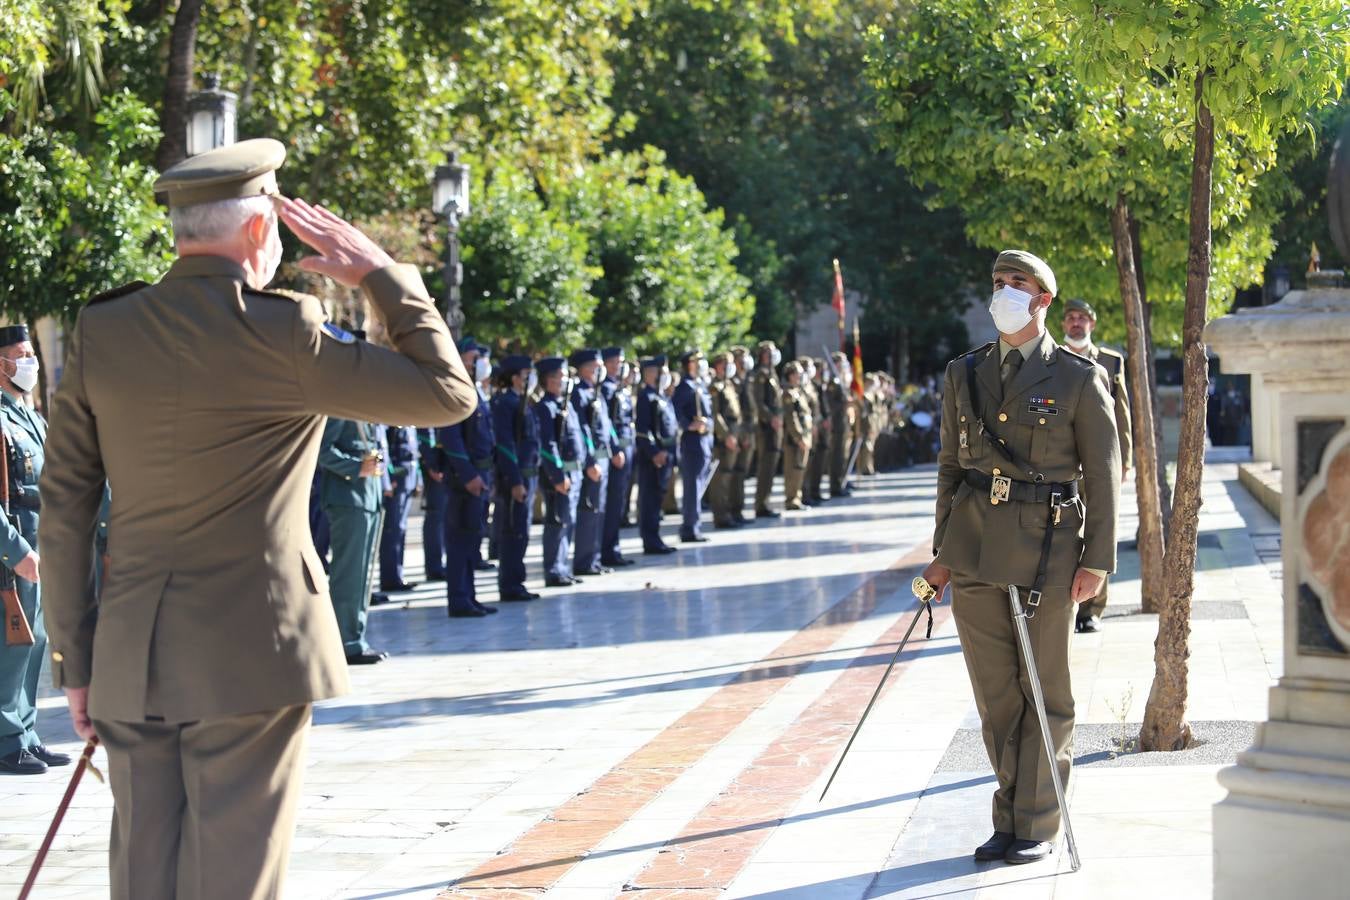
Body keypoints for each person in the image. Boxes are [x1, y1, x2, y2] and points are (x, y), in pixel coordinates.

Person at [39, 138, 475, 900]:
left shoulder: (104, 329)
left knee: (143, 873)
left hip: (129, 651)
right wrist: (379, 272)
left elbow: (65, 508)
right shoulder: (287, 331)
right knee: (233, 876)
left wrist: (76, 665)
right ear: (257, 230)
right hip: (253, 647)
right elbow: (447, 394)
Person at [921, 249, 1120, 866]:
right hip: (975, 546)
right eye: (998, 282)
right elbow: (952, 468)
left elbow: (1105, 477)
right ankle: (1007, 814)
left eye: (1018, 283)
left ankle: (1034, 821)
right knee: (996, 694)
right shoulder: (964, 372)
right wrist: (941, 553)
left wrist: (1098, 561)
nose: (1004, 291)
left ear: (1044, 300)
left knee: (1045, 688)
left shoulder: (1078, 378)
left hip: (1049, 550)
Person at [0, 325, 68, 776]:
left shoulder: (28, 414)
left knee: (36, 639)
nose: (31, 362)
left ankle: (26, 733)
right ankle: (7, 740)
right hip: (15, 546)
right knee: (12, 643)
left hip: (42, 540)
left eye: (31, 354)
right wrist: (15, 550)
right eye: (21, 355)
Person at [1060, 297, 1132, 634]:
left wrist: (1125, 461)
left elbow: (1122, 416)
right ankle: (1064, 606)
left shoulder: (1110, 362)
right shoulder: (1052, 360)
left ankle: (1092, 610)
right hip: (1063, 463)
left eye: (1082, 318)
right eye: (1071, 317)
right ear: (1063, 324)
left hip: (1099, 463)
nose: (1076, 323)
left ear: (1092, 323)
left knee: (1100, 532)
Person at [319, 412, 391, 658]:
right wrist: (356, 467)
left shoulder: (362, 409)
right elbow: (322, 450)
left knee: (360, 578)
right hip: (348, 499)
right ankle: (345, 642)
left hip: (367, 498)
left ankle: (355, 637)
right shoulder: (341, 409)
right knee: (349, 576)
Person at [438, 345, 499, 618]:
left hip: (481, 475)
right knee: (460, 540)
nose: (480, 363)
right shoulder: (455, 390)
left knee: (472, 540)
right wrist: (468, 476)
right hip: (464, 481)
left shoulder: (475, 391)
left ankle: (470, 597)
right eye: (474, 359)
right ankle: (459, 599)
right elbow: (451, 439)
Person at [492, 355, 541, 602]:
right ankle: (510, 584)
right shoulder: (505, 403)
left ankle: (516, 581)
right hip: (516, 479)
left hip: (528, 475)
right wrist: (515, 481)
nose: (530, 378)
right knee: (513, 532)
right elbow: (506, 445)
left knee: (521, 531)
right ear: (514, 378)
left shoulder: (523, 401)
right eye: (525, 374)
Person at [535, 357, 586, 586]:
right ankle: (554, 570)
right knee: (557, 522)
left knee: (568, 521)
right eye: (560, 376)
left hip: (573, 473)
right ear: (548, 380)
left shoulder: (565, 404)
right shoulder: (545, 407)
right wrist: (557, 476)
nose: (565, 380)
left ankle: (563, 566)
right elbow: (548, 445)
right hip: (559, 476)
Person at [570, 349, 617, 576]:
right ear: (583, 368)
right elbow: (582, 430)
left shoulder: (594, 391)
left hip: (603, 457)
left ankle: (594, 559)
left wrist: (613, 449)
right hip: (594, 460)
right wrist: (590, 461)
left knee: (599, 511)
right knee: (589, 511)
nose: (600, 370)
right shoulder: (579, 393)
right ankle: (584, 561)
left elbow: (606, 426)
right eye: (595, 366)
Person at [635, 356, 678, 555]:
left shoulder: (660, 396)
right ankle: (650, 540)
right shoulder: (646, 397)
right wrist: (654, 452)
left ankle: (655, 537)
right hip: (654, 458)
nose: (666, 375)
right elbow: (643, 430)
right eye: (662, 370)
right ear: (651, 373)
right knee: (650, 499)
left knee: (657, 498)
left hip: (665, 454)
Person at [600, 348, 637, 567]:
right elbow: (608, 425)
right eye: (614, 362)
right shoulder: (606, 389)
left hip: (626, 449)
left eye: (621, 362)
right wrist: (614, 449)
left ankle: (613, 548)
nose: (619, 366)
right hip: (617, 453)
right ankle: (607, 550)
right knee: (613, 502)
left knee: (619, 502)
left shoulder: (619, 388)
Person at [673, 350, 714, 543]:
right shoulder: (685, 387)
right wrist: (689, 425)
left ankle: (694, 525)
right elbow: (676, 412)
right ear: (689, 364)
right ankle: (689, 528)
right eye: (698, 361)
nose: (702, 364)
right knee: (692, 486)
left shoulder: (700, 385)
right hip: (692, 442)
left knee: (700, 485)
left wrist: (708, 424)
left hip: (704, 440)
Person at [379, 424, 421, 593]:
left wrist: (418, 479)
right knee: (392, 530)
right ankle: (390, 577)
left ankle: (397, 574)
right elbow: (384, 450)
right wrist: (388, 478)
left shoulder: (408, 420)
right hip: (397, 480)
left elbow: (413, 451)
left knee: (400, 530)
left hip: (407, 480)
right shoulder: (391, 420)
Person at [707, 351, 743, 528]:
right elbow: (715, 414)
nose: (730, 367)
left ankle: (730, 513)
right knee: (720, 480)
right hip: (722, 440)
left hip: (733, 437)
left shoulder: (728, 384)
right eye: (726, 363)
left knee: (729, 478)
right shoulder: (715, 387)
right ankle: (721, 516)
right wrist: (726, 435)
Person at [749, 340, 784, 518]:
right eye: (768, 353)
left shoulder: (772, 374)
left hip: (774, 427)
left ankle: (765, 502)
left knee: (771, 467)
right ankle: (761, 505)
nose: (772, 356)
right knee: (765, 467)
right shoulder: (761, 375)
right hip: (766, 428)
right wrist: (771, 418)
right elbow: (759, 402)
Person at [781, 361, 813, 510]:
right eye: (797, 374)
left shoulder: (799, 392)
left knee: (800, 469)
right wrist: (799, 437)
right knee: (793, 470)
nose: (800, 376)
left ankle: (796, 498)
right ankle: (791, 499)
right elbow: (791, 418)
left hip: (804, 436)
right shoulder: (788, 393)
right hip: (794, 439)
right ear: (790, 375)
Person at [418, 427, 448, 581]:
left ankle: (438, 565)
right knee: (436, 518)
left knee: (442, 519)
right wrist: (433, 465)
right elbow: (426, 431)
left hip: (445, 465)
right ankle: (434, 567)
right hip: (437, 467)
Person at [730, 346, 756, 523]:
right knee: (735, 474)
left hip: (748, 432)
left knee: (741, 474)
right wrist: (743, 435)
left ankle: (738, 510)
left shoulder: (746, 380)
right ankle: (733, 511)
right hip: (740, 434)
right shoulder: (734, 383)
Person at [826, 352, 855, 498]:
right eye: (841, 362)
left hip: (843, 423)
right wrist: (844, 403)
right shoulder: (833, 382)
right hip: (836, 423)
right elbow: (831, 404)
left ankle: (841, 481)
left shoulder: (841, 381)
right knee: (836, 456)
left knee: (843, 455)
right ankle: (835, 486)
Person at [806, 358, 830, 505]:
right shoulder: (809, 387)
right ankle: (807, 493)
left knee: (819, 460)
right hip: (813, 427)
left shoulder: (819, 386)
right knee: (810, 463)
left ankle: (815, 490)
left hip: (821, 426)